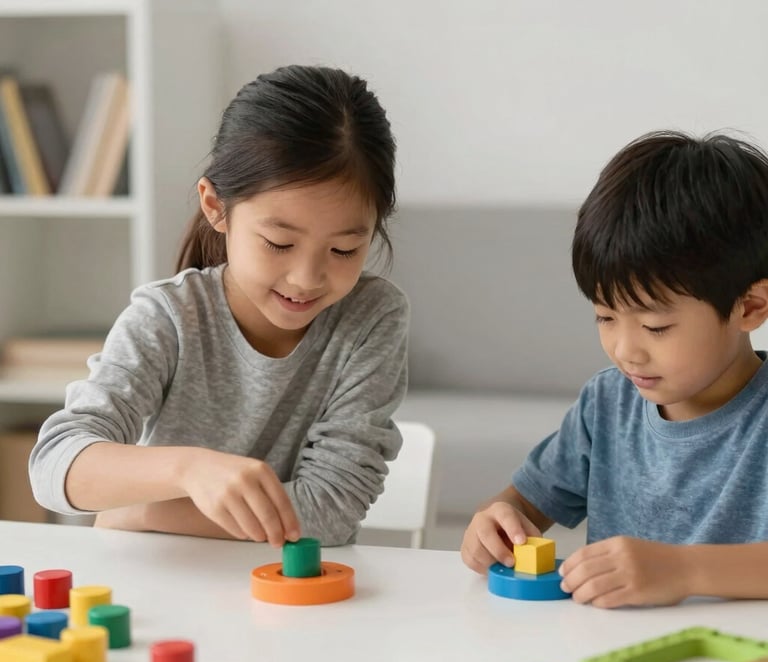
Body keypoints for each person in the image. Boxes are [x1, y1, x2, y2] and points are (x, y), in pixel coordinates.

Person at [29, 65, 408, 548]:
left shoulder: (371, 317)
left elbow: (330, 510)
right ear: (215, 206)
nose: (307, 278)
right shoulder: (168, 317)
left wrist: (141, 512)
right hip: (168, 584)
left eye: (343, 251)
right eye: (277, 243)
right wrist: (189, 470)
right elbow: (54, 465)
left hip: (299, 596)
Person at [461, 130, 768, 608]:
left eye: (656, 326)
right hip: (608, 661)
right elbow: (518, 505)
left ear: (749, 306)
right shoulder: (607, 404)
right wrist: (494, 525)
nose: (625, 351)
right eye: (605, 317)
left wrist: (683, 570)